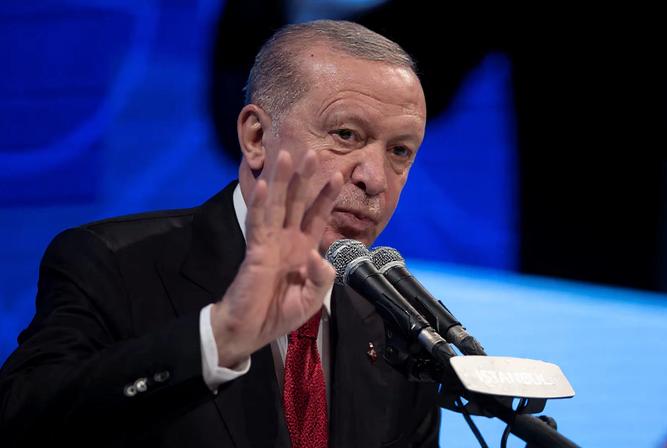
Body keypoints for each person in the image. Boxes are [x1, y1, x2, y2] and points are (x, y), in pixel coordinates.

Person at [0, 20, 439, 447]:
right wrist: (221, 336)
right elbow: (21, 420)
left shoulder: (398, 325)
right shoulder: (113, 264)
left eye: (400, 151)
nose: (375, 179)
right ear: (256, 137)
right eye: (346, 134)